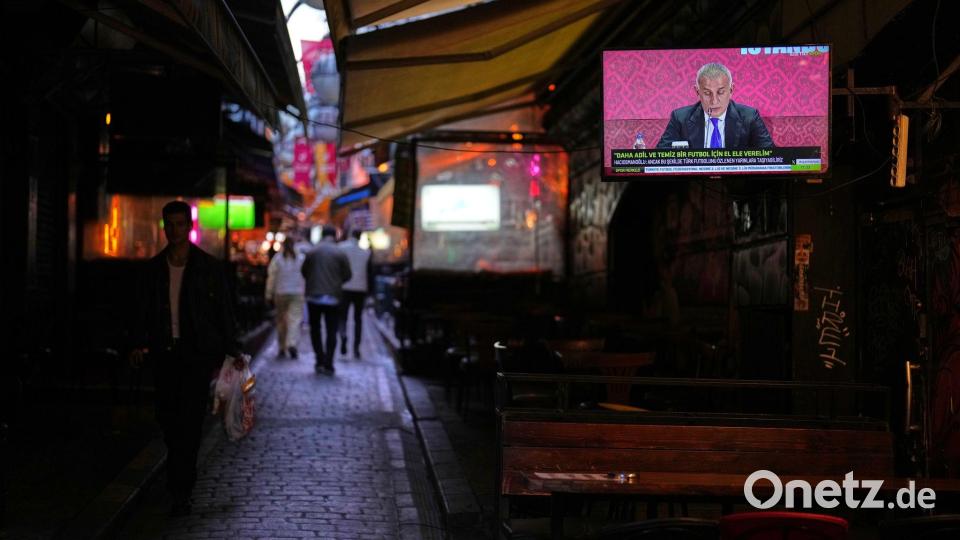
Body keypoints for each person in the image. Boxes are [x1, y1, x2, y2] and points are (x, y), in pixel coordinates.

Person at [128, 201, 240, 516]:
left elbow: (223, 311)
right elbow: (142, 310)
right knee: (167, 417)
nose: (175, 230)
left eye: (180, 224)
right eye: (170, 224)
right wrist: (137, 343)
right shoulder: (153, 270)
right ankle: (179, 473)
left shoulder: (208, 268)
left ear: (189, 227)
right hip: (165, 352)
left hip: (195, 353)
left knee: (190, 421)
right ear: (164, 227)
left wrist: (232, 347)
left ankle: (181, 488)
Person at [656, 62, 774, 150]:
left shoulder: (750, 117)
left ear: (731, 89)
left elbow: (771, 156)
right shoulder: (680, 118)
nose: (714, 101)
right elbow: (660, 156)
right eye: (707, 93)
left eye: (720, 92)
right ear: (697, 92)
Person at [301, 225, 352, 374]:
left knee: (315, 329)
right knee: (331, 330)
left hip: (313, 296)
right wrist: (336, 282)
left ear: (322, 235)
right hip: (333, 297)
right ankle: (329, 363)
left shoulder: (312, 251)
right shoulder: (340, 252)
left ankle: (319, 360)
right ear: (334, 235)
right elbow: (348, 275)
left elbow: (304, 271)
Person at [265, 236, 306, 359]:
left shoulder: (277, 259)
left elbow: (271, 277)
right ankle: (292, 343)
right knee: (295, 319)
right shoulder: (301, 258)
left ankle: (282, 346)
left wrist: (268, 294)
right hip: (297, 292)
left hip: (280, 292)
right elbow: (305, 276)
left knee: (281, 320)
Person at [338, 229, 373, 359]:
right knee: (358, 319)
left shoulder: (341, 248)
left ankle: (343, 335)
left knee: (343, 317)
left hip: (344, 287)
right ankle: (356, 348)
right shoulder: (366, 252)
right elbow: (370, 273)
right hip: (360, 288)